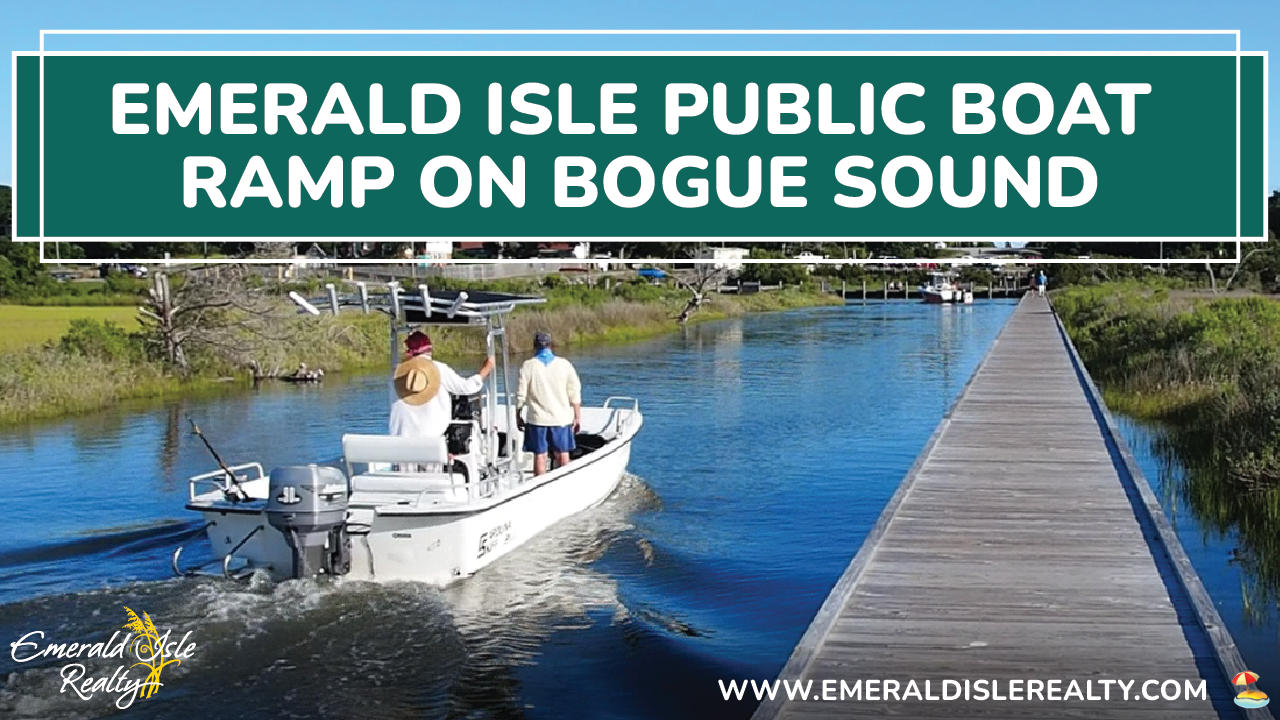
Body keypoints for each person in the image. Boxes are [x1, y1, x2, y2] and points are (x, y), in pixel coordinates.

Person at [389, 330, 494, 443]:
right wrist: (486, 369)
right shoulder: (438, 369)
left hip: (400, 443)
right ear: (429, 349)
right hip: (432, 441)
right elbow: (467, 388)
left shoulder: (396, 374)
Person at [516, 331, 582, 476]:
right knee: (562, 453)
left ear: (535, 345)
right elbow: (574, 392)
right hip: (561, 419)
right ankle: (565, 483)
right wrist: (577, 416)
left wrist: (518, 414)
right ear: (551, 345)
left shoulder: (528, 366)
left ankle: (539, 486)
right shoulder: (565, 365)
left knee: (540, 455)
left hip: (537, 420)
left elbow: (521, 394)